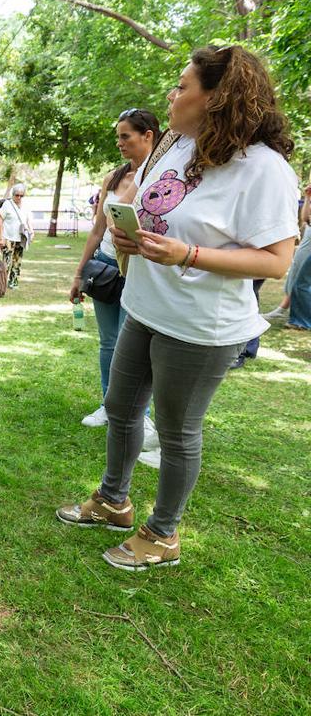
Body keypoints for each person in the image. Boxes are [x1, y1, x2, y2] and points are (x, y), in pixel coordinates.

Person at [57, 45, 299, 571]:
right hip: (144, 305)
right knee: (121, 410)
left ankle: (162, 534)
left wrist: (188, 254)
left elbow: (277, 260)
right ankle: (113, 501)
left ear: (218, 98)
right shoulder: (174, 145)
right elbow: (153, 213)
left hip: (200, 326)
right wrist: (128, 239)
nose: (173, 94)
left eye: (184, 86)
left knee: (176, 431)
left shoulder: (264, 170)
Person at [69, 109, 161, 466]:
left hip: (138, 267)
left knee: (132, 343)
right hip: (106, 267)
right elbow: (97, 229)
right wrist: (79, 273)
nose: (120, 143)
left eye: (126, 136)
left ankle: (140, 414)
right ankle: (110, 405)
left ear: (149, 135)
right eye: (118, 137)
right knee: (109, 340)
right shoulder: (114, 176)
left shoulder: (159, 179)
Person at [261, 182, 311, 326]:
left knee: (302, 282)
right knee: (296, 276)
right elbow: (307, 219)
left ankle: (302, 322)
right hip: (308, 237)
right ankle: (284, 310)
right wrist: (308, 198)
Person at [0, 185, 33, 288]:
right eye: (17, 195)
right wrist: (1, 237)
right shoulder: (7, 204)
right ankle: (1, 282)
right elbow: (0, 220)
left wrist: (31, 231)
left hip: (21, 237)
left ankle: (13, 282)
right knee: (6, 262)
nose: (19, 197)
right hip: (8, 237)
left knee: (17, 261)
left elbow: (27, 219)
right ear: (13, 194)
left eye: (21, 195)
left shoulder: (26, 205)